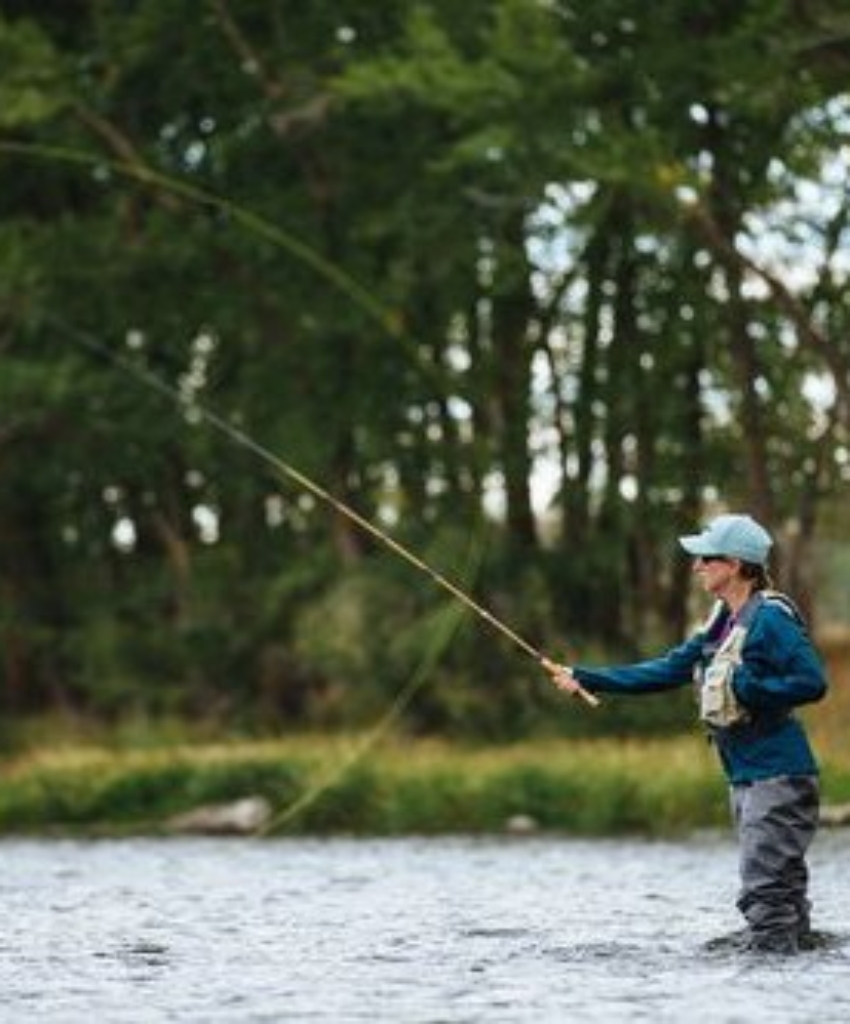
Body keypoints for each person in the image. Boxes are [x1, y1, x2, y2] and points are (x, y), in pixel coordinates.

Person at [542, 513, 828, 954]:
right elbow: (668, 669)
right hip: (748, 776)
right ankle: (789, 971)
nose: (696, 567)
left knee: (766, 891)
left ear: (733, 564)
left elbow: (812, 682)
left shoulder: (771, 619)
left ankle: (770, 987)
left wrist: (749, 689)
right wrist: (588, 677)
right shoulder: (721, 623)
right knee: (781, 895)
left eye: (705, 559)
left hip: (779, 776)